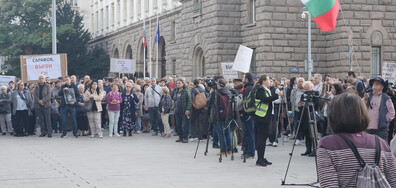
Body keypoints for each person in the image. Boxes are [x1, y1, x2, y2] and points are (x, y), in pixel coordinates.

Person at [317, 92, 396, 187]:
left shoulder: (328, 144)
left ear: (333, 115)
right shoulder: (381, 143)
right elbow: (393, 180)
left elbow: (329, 184)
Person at [254, 75, 283, 166]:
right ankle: (259, 159)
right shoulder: (260, 90)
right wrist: (276, 95)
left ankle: (262, 157)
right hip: (262, 116)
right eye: (268, 80)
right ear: (263, 81)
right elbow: (265, 100)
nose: (270, 81)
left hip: (267, 115)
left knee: (265, 136)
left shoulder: (267, 90)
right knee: (262, 138)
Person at [207, 78, 232, 154]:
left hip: (217, 115)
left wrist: (210, 93)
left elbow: (209, 102)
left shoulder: (216, 93)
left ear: (218, 85)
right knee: (227, 132)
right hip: (227, 114)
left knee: (221, 133)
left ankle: (223, 150)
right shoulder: (229, 92)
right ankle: (229, 149)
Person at [298, 81, 319, 157]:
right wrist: (300, 105)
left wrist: (307, 105)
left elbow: (316, 104)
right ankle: (308, 149)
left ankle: (315, 149)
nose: (306, 89)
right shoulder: (303, 95)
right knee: (307, 133)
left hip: (312, 114)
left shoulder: (315, 94)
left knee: (313, 132)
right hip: (305, 115)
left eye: (307, 87)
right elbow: (300, 104)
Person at [241, 73, 256, 159]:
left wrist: (243, 112)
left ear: (246, 79)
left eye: (243, 77)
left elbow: (246, 102)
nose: (243, 79)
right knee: (248, 133)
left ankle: (250, 152)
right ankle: (247, 150)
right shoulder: (250, 87)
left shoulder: (248, 89)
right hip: (250, 113)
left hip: (248, 114)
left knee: (249, 133)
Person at [289, 77, 305, 144]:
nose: (301, 83)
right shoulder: (294, 90)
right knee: (295, 123)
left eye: (302, 81)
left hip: (303, 110)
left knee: (301, 124)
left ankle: (300, 137)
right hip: (295, 109)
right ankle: (297, 137)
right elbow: (291, 99)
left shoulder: (305, 90)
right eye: (299, 82)